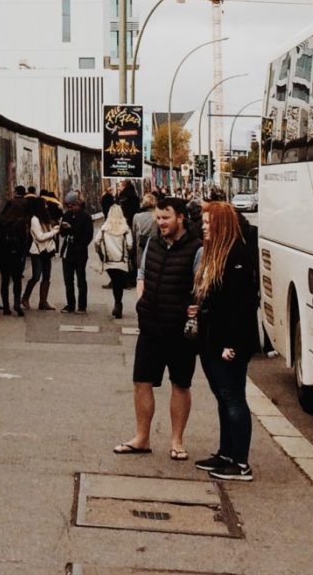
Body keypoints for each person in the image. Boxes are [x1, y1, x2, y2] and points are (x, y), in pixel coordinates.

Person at [114, 197, 202, 460]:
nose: (160, 222)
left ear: (180, 218)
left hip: (179, 331)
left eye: (166, 218)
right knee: (141, 382)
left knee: (180, 384)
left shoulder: (196, 249)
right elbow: (141, 274)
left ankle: (177, 441)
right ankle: (142, 438)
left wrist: (195, 307)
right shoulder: (152, 242)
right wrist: (141, 301)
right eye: (158, 218)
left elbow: (201, 287)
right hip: (150, 326)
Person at [190, 202, 260, 481]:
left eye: (209, 223)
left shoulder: (236, 255)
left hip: (228, 342)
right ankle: (226, 453)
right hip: (211, 338)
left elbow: (242, 305)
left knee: (233, 398)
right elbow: (217, 299)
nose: (203, 226)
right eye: (203, 222)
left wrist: (231, 343)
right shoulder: (213, 253)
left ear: (222, 225)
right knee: (222, 397)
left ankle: (241, 463)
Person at [59, 191, 94, 313]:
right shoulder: (67, 215)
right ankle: (70, 304)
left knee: (81, 279)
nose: (70, 208)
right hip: (67, 252)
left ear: (77, 204)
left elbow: (88, 235)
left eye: (72, 205)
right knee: (68, 280)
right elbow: (62, 234)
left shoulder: (85, 217)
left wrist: (72, 229)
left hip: (80, 253)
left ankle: (82, 305)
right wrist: (63, 228)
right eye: (68, 206)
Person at [22, 196, 59, 311]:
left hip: (47, 251)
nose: (47, 207)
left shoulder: (44, 219)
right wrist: (54, 232)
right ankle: (25, 298)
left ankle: (43, 302)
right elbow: (40, 237)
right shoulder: (34, 220)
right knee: (36, 276)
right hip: (37, 252)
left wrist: (55, 228)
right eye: (45, 205)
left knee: (47, 277)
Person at [0, 189, 31, 316]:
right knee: (17, 279)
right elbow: (25, 240)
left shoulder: (3, 221)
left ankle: (6, 306)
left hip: (4, 253)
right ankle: (17, 303)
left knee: (5, 280)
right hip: (18, 253)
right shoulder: (22, 222)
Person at [96, 203, 133, 318]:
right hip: (122, 261)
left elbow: (96, 242)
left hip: (109, 261)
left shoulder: (104, 228)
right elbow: (130, 245)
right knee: (119, 283)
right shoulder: (125, 229)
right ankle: (118, 303)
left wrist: (101, 254)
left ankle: (117, 303)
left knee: (115, 281)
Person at [131, 193, 158, 272]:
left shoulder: (137, 217)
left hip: (141, 250)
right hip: (155, 250)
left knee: (141, 276)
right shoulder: (158, 216)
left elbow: (134, 235)